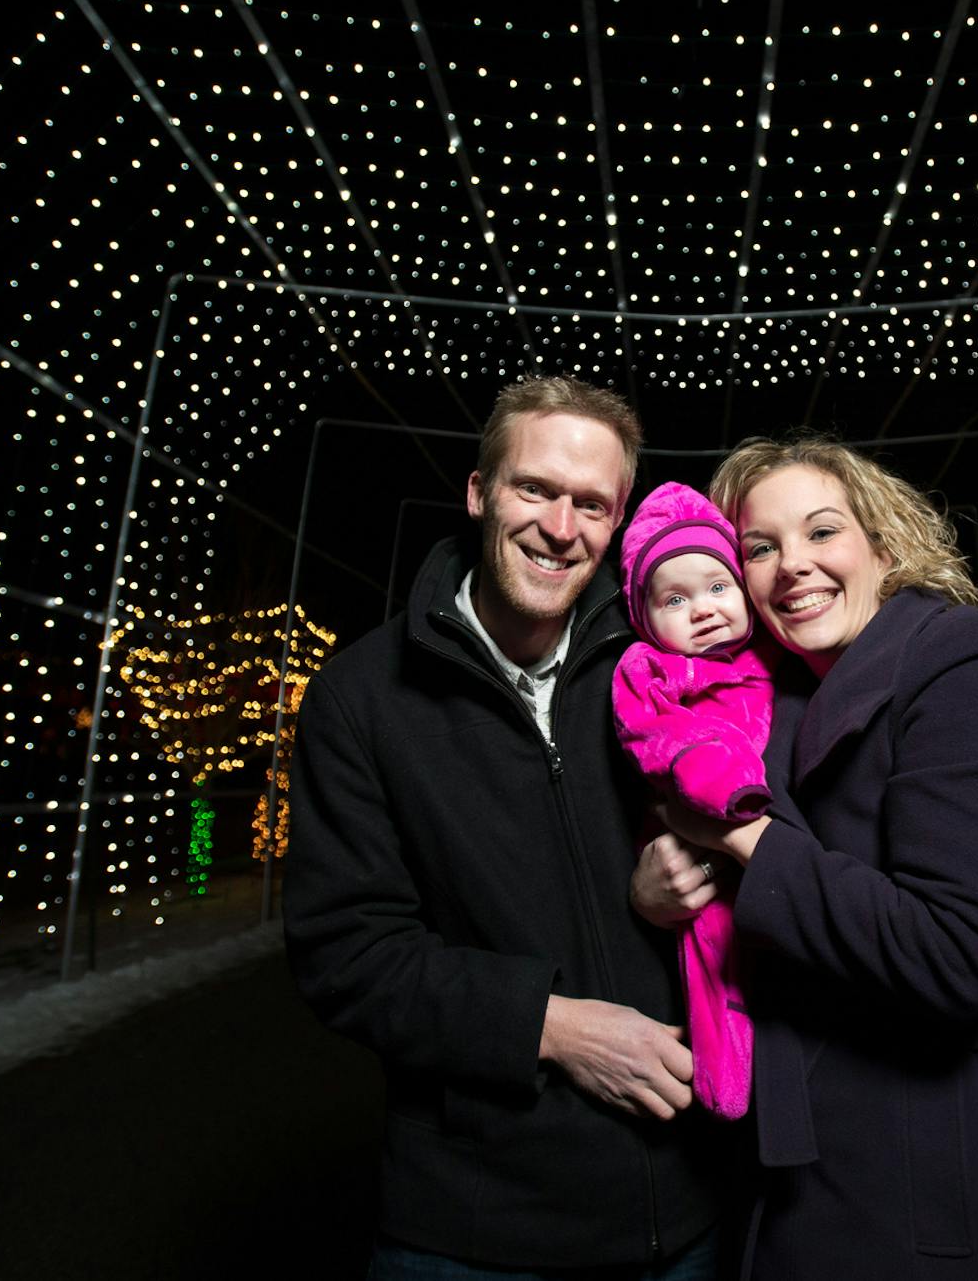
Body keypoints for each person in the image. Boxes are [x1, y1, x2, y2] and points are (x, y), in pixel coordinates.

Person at [284, 378, 722, 1279]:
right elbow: (345, 952)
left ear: (618, 520)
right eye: (535, 489)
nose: (561, 527)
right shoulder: (361, 699)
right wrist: (550, 1026)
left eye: (591, 503)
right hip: (472, 1230)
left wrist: (668, 884)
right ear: (480, 492)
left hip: (685, 1215)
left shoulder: (665, 662)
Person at [633, 434, 978, 1280]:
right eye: (761, 547)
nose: (793, 563)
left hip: (915, 1170)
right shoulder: (775, 691)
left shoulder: (964, 665)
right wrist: (654, 889)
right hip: (787, 1162)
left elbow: (959, 952)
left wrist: (740, 834)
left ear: (885, 545)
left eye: (822, 531)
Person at [611, 480, 774, 1120]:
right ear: (645, 618)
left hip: (769, 852)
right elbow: (654, 735)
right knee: (712, 951)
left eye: (717, 587)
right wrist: (715, 775)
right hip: (695, 834)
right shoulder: (650, 667)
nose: (703, 610)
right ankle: (722, 1082)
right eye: (675, 599)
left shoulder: (770, 657)